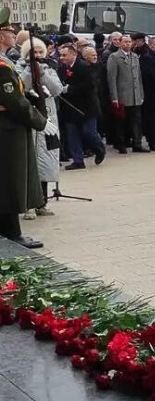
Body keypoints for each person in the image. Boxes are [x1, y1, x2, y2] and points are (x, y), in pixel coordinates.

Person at [0, 24, 53, 249]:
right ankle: (12, 233)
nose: (14, 35)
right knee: (10, 181)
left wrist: (28, 95)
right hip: (7, 129)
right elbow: (13, 102)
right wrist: (40, 121)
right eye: (10, 32)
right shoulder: (2, 67)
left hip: (8, 126)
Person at [16, 38, 61, 220]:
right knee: (30, 163)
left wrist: (41, 72)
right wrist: (29, 70)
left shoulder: (49, 68)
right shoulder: (18, 68)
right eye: (34, 52)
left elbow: (56, 89)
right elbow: (21, 87)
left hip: (48, 121)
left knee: (45, 162)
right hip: (30, 120)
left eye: (41, 52)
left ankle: (42, 202)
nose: (38, 55)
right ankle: (28, 205)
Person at [58, 44, 106, 169]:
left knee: (89, 133)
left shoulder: (84, 67)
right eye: (61, 55)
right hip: (69, 107)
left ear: (74, 54)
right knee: (72, 135)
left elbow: (90, 86)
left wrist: (70, 89)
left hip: (86, 107)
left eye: (64, 55)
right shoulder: (61, 68)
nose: (62, 58)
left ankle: (99, 148)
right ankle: (78, 160)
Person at [106, 33, 147, 153]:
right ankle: (121, 144)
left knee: (136, 121)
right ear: (120, 43)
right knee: (121, 122)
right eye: (125, 42)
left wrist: (141, 94)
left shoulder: (135, 56)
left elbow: (138, 77)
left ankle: (137, 143)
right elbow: (112, 78)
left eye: (129, 42)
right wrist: (114, 97)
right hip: (122, 95)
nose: (128, 44)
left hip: (135, 95)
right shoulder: (114, 57)